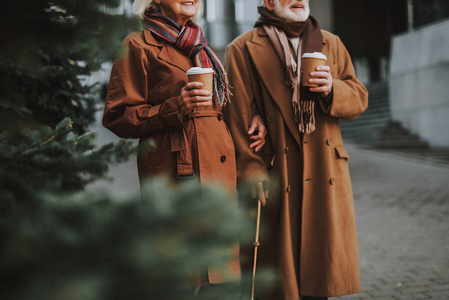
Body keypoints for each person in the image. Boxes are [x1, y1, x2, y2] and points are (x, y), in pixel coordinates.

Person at [102, 0, 265, 296]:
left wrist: (253, 121)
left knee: (219, 281)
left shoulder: (201, 46)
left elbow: (219, 110)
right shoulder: (138, 45)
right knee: (179, 279)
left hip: (219, 174)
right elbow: (117, 116)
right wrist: (173, 107)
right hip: (175, 174)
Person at [224, 0, 368, 299]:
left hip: (324, 167)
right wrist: (251, 168)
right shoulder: (242, 49)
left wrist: (332, 89)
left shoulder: (332, 43)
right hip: (278, 172)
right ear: (267, 2)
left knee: (320, 275)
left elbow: (358, 99)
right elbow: (237, 117)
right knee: (279, 283)